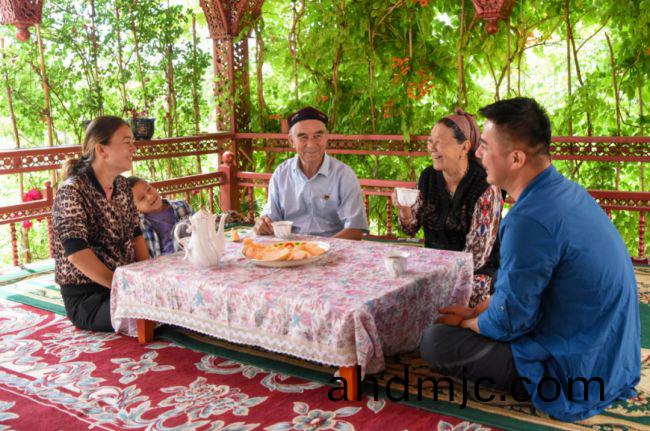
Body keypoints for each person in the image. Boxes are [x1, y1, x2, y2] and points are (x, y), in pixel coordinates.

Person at [420, 97, 640, 422]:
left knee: (435, 341)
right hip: (615, 359)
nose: (479, 154)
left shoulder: (528, 220)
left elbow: (509, 322)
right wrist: (478, 310)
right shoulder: (567, 192)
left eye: (486, 147)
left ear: (516, 158)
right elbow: (527, 291)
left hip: (574, 369)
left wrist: (469, 324)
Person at [393, 109, 502, 307]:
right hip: (434, 269)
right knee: (396, 289)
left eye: (439, 142)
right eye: (430, 141)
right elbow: (410, 229)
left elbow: (476, 258)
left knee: (445, 296)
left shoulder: (485, 186)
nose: (432, 148)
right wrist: (405, 210)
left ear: (464, 147)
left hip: (475, 275)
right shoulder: (428, 177)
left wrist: (436, 279)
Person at [52, 116, 149, 332]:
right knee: (151, 314)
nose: (133, 148)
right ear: (101, 150)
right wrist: (122, 287)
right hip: (89, 298)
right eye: (127, 142)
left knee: (172, 302)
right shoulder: (72, 191)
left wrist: (147, 278)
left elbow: (136, 236)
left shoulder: (122, 186)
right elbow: (77, 254)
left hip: (125, 284)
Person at [254, 107, 368, 240]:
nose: (311, 144)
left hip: (334, 248)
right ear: (291, 141)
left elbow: (355, 230)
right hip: (290, 247)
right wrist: (262, 224)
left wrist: (319, 247)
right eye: (303, 137)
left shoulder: (344, 175)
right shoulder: (281, 174)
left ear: (326, 137)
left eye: (318, 136)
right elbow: (270, 219)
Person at [127, 177, 193, 258]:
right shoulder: (138, 226)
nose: (150, 196)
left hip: (191, 258)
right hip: (163, 264)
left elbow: (200, 229)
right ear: (134, 208)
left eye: (149, 189)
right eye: (142, 198)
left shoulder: (182, 207)